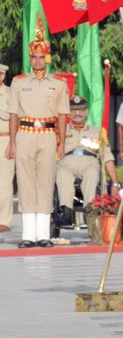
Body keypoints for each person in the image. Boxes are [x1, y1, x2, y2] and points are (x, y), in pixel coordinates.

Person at [6, 21, 70, 248]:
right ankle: (28, 234)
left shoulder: (59, 84)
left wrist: (61, 143)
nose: (38, 61)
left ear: (48, 58)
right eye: (34, 57)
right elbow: (13, 114)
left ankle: (43, 234)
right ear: (30, 59)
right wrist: (12, 142)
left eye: (42, 57)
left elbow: (62, 115)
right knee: (25, 183)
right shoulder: (18, 82)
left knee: (45, 181)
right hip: (24, 134)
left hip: (48, 135)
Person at [56, 96, 120, 224]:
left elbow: (107, 157)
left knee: (92, 173)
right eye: (74, 110)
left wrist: (115, 183)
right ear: (69, 112)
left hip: (89, 162)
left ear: (86, 112)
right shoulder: (60, 131)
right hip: (67, 162)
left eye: (81, 110)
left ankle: (90, 209)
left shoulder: (98, 132)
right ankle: (66, 210)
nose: (77, 113)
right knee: (62, 173)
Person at [0, 64, 14, 236]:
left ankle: (3, 220)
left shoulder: (11, 93)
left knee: (4, 182)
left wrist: (13, 142)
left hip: (4, 139)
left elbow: (14, 118)